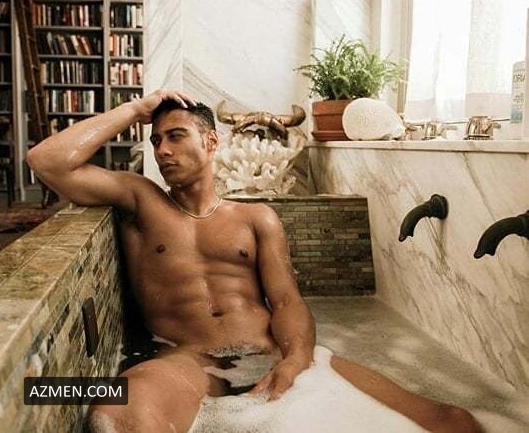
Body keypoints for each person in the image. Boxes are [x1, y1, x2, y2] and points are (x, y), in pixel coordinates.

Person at [27, 90, 482, 433]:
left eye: (176, 136)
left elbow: (287, 302)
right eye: (157, 140)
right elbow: (46, 161)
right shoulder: (140, 200)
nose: (162, 150)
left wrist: (296, 359)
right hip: (187, 364)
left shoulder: (256, 217)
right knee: (117, 411)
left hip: (270, 354)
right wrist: (133, 110)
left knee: (453, 421)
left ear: (211, 142)